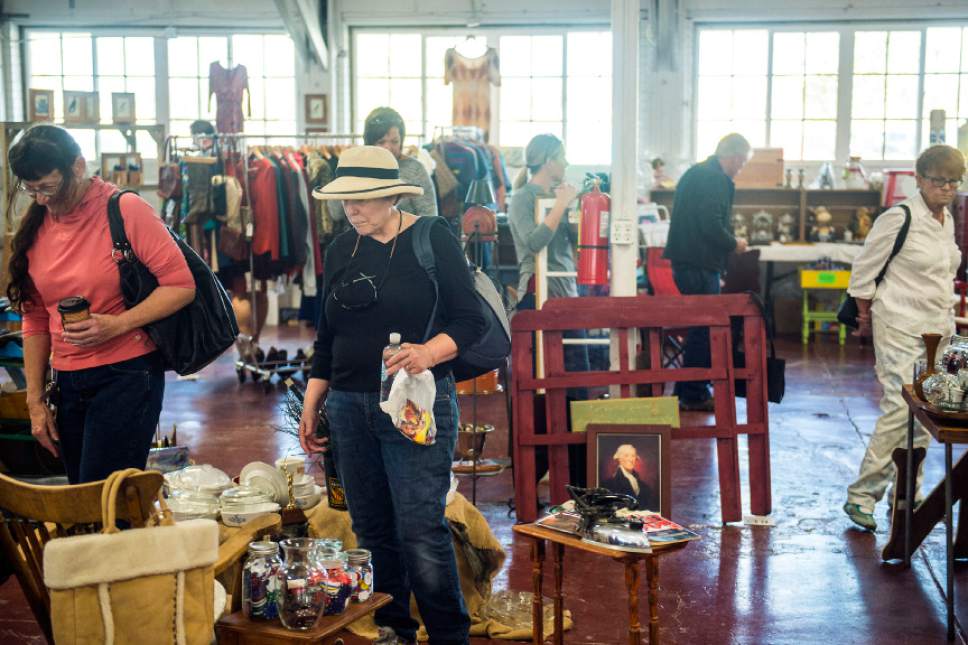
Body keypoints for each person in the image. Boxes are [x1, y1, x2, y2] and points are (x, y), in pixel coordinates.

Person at [299, 145, 483, 645]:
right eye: (345, 201)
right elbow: (328, 336)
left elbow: (472, 319)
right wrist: (315, 397)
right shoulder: (342, 247)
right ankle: (395, 628)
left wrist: (428, 352)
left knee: (421, 530)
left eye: (361, 200)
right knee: (372, 530)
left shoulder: (430, 238)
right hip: (348, 406)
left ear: (391, 196)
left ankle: (449, 637)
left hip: (415, 404)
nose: (351, 210)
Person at [7, 125, 195, 483]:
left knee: (107, 501)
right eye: (31, 190)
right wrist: (34, 401)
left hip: (126, 374)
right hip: (66, 382)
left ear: (77, 167)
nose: (41, 199)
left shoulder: (124, 210)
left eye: (47, 187)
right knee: (84, 495)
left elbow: (181, 286)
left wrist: (117, 323)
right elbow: (34, 318)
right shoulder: (36, 227)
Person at [843, 144, 966, 531]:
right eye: (938, 181)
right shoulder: (899, 218)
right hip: (897, 322)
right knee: (899, 407)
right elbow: (863, 273)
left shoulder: (945, 220)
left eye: (953, 181)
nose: (946, 188)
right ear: (920, 179)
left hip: (937, 326)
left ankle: (908, 494)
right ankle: (862, 495)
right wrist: (864, 319)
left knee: (931, 408)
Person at [662, 132, 751, 412]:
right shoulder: (715, 179)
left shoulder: (695, 173)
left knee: (700, 329)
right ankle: (693, 394)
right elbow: (710, 225)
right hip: (699, 265)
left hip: (686, 262)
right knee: (705, 330)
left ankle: (688, 390)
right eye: (742, 162)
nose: (741, 168)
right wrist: (734, 244)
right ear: (735, 156)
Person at [328, 107, 438, 222]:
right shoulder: (356, 167)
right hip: (359, 237)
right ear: (369, 142)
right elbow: (335, 213)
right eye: (381, 142)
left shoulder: (415, 169)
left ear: (401, 141)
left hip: (405, 237)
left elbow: (430, 216)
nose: (388, 148)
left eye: (394, 141)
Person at [603, 444, 658, 512]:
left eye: (633, 456)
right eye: (626, 455)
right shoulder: (610, 484)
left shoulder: (644, 486)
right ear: (619, 458)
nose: (631, 459)